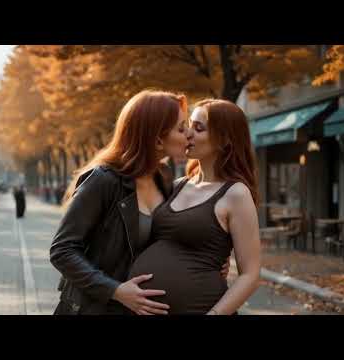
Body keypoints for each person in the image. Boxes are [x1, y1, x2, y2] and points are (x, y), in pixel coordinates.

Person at [50, 90, 230, 315]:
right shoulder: (104, 180)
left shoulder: (163, 178)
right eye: (181, 128)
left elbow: (171, 238)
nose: (188, 135)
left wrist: (207, 260)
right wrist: (115, 290)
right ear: (156, 139)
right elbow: (62, 250)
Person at [129, 99, 261, 315]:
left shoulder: (236, 194)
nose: (188, 133)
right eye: (188, 125)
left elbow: (250, 275)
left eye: (198, 128)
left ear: (225, 140)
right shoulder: (176, 185)